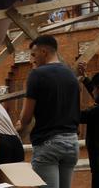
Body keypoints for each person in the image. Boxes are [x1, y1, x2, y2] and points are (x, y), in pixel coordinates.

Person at [16, 35, 80, 188]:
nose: (32, 60)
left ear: (43, 51)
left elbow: (26, 117)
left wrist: (17, 129)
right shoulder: (71, 75)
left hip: (48, 144)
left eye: (33, 54)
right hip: (72, 143)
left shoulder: (37, 75)